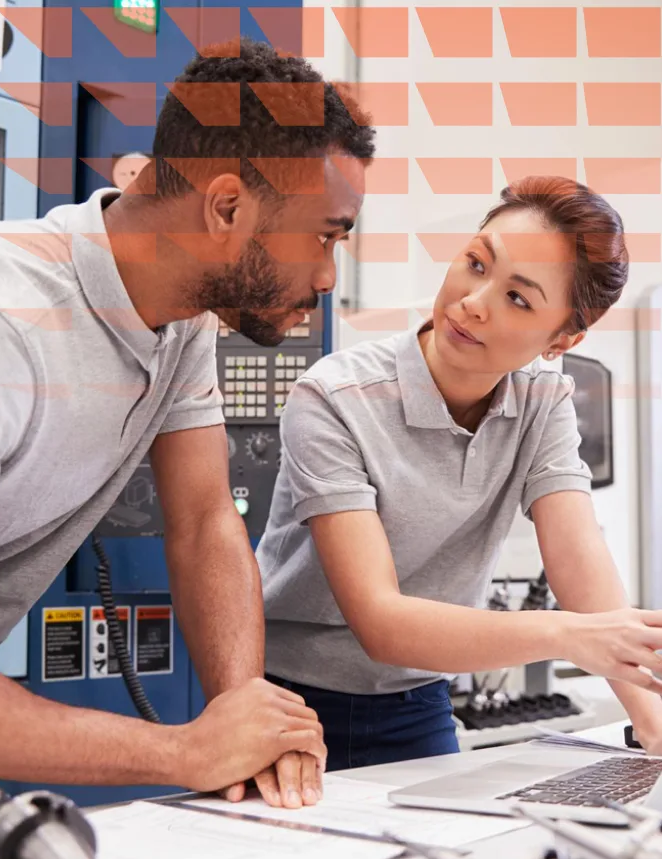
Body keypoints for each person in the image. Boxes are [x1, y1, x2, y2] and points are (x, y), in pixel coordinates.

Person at [0, 39, 376, 808]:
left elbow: (203, 521)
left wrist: (244, 720)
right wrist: (185, 750)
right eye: (323, 236)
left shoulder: (179, 314)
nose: (328, 276)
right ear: (227, 209)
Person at [257, 175, 662, 772]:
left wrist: (650, 719)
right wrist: (567, 635)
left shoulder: (543, 397)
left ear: (561, 340)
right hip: (289, 699)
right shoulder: (335, 397)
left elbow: (578, 559)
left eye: (518, 298)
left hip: (418, 699)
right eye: (476, 264)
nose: (474, 301)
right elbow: (380, 621)